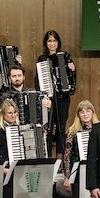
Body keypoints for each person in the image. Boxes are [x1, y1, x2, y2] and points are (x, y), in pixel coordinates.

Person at [0, 65, 51, 198]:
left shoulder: (35, 94)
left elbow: (44, 118)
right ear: (10, 78)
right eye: (14, 76)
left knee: (34, 170)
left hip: (32, 137)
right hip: (14, 139)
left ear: (23, 77)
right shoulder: (5, 96)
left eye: (19, 75)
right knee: (18, 171)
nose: (17, 78)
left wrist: (47, 107)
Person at [61, 100, 100, 198]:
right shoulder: (73, 131)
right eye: (82, 112)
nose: (85, 114)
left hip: (96, 174)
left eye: (88, 111)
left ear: (92, 113)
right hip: (78, 174)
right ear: (78, 114)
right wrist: (67, 177)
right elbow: (67, 156)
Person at [36, 30, 76, 160]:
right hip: (48, 99)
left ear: (58, 42)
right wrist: (43, 96)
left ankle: (59, 160)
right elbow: (37, 80)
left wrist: (73, 70)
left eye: (54, 41)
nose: (52, 44)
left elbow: (71, 81)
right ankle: (47, 158)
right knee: (47, 128)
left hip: (62, 99)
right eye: (49, 41)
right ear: (45, 43)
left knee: (60, 128)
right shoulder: (42, 59)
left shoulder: (65, 56)